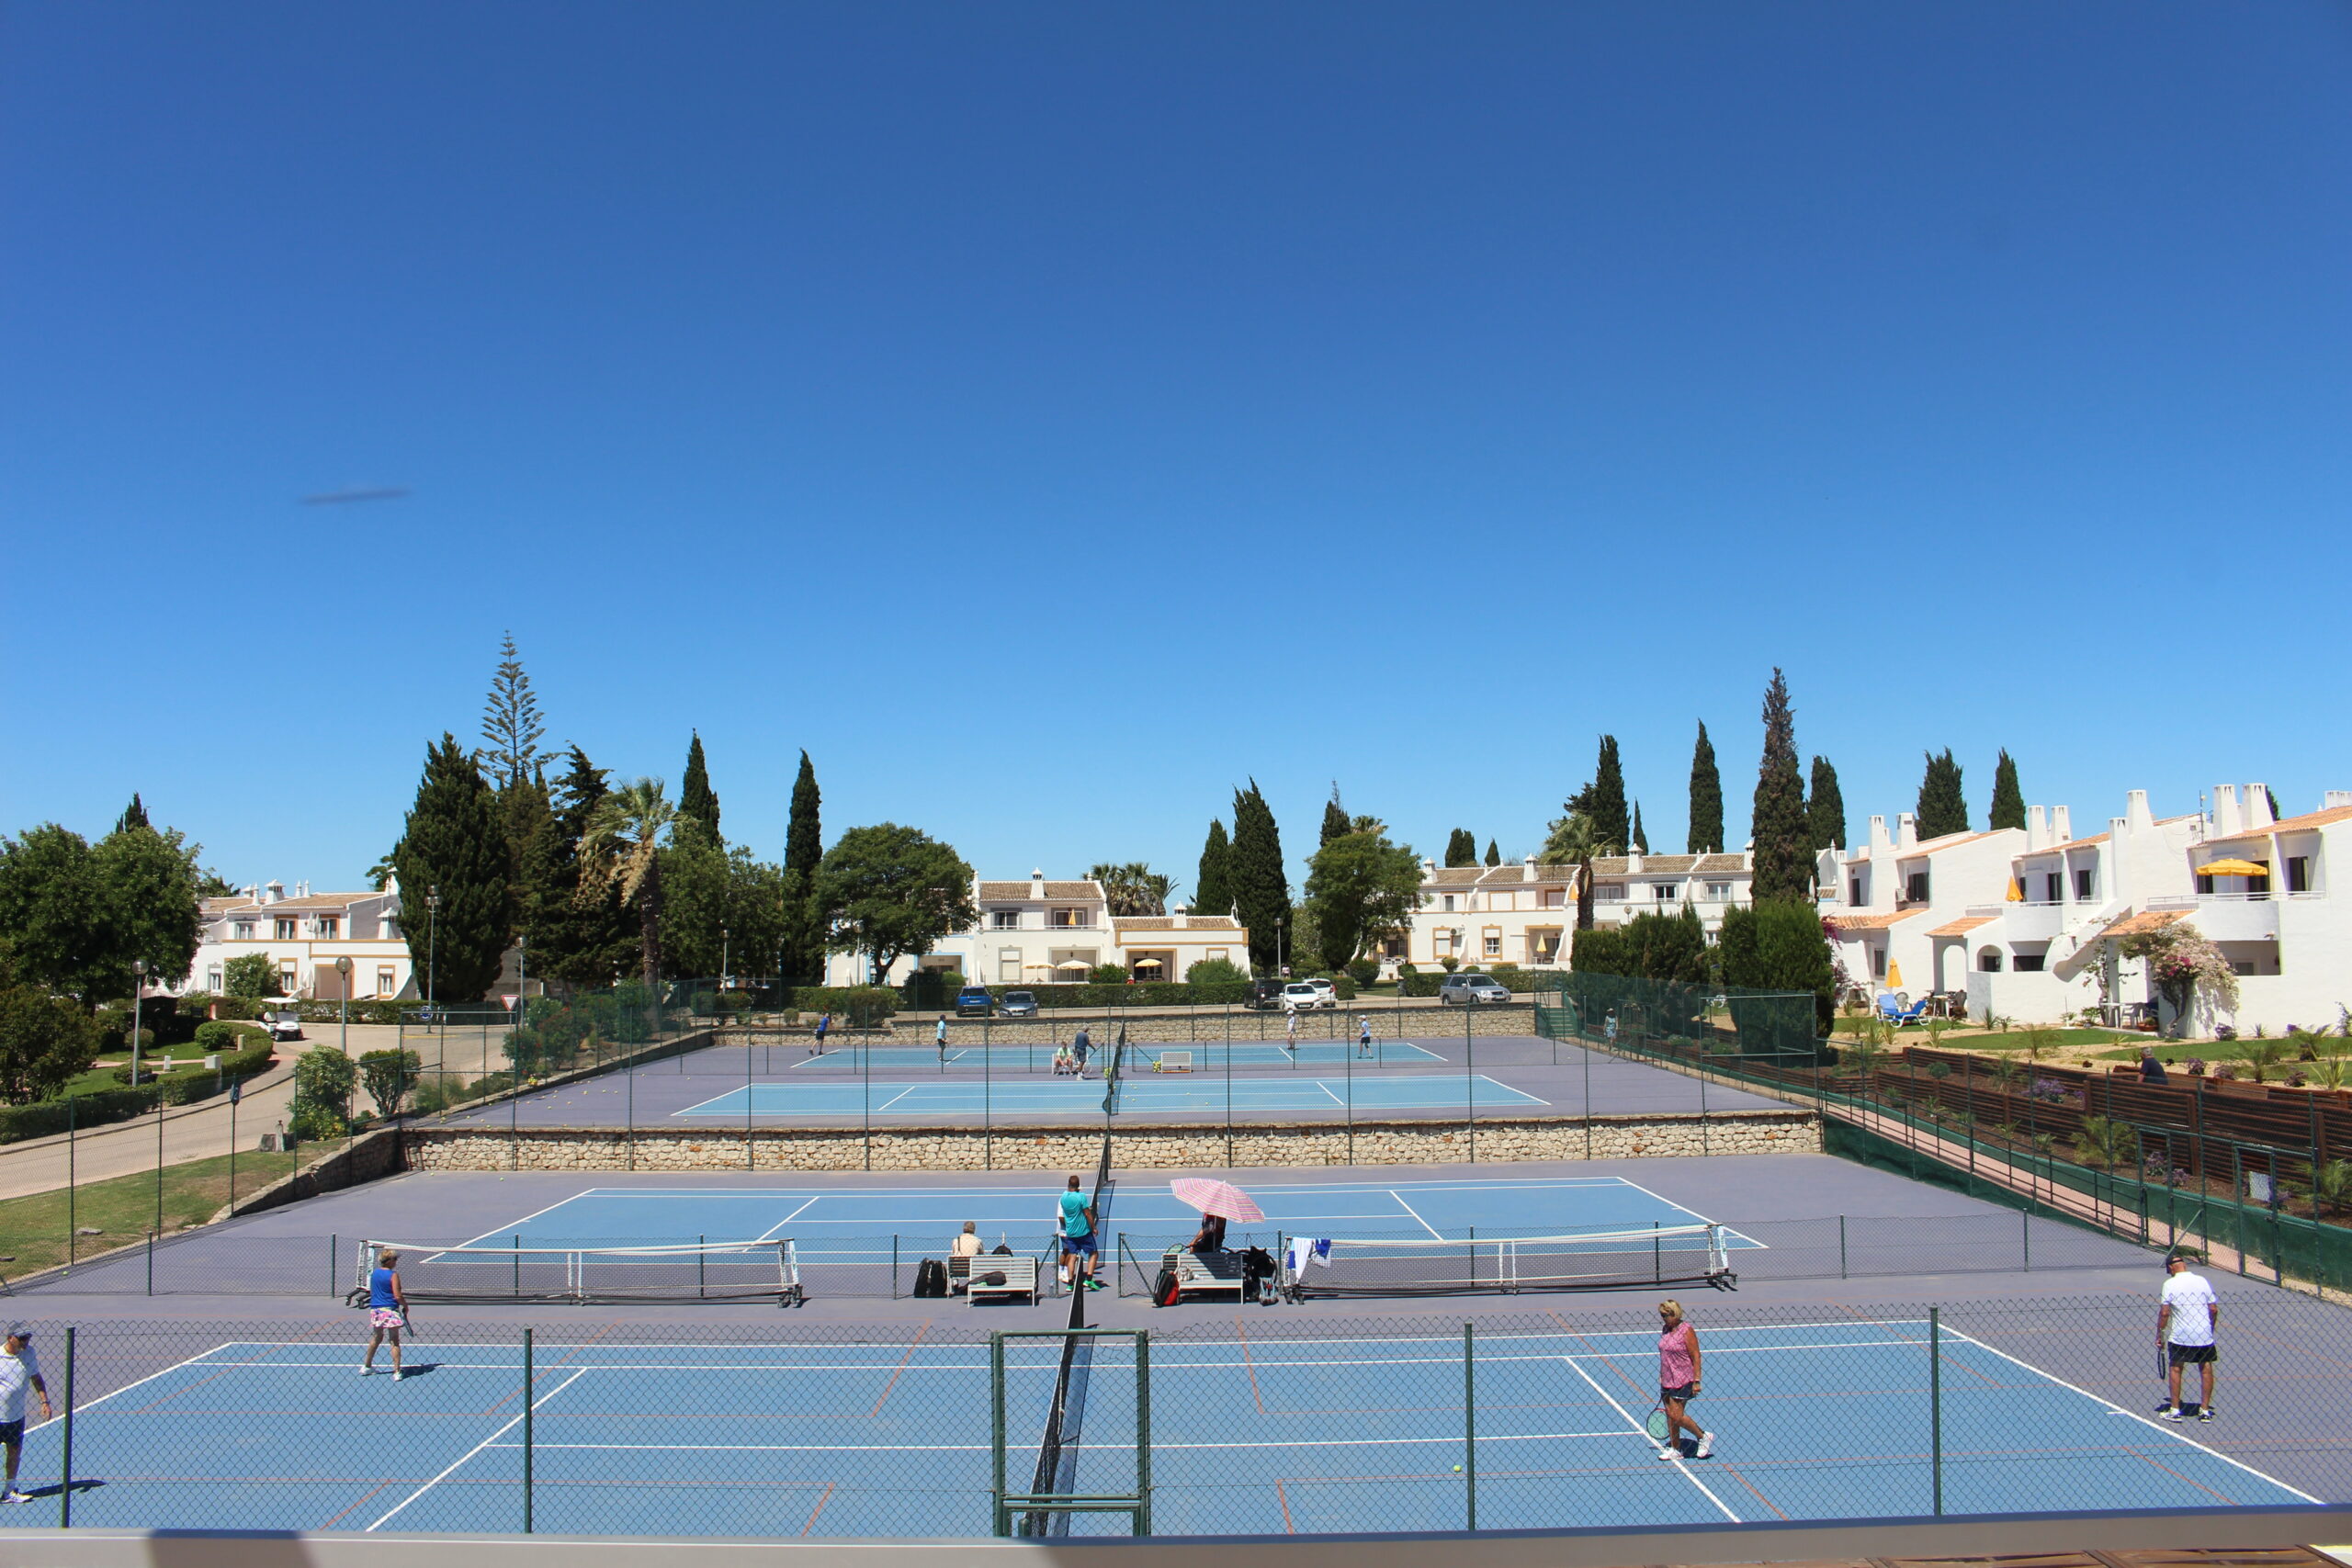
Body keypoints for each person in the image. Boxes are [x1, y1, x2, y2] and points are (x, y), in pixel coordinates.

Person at [2157, 1253, 2220, 1421]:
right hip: (2204, 1335)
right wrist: (2209, 1328)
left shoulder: (2169, 1284)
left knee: (2176, 1368)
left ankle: (2175, 1410)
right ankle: (2205, 1410)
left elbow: (2164, 1313)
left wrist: (2159, 1334)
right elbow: (2213, 1309)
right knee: (2206, 1368)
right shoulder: (2202, 1281)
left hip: (2181, 1336)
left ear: (2171, 1267)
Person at [1654, 1300, 1713, 1460]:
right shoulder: (1666, 1329)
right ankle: (1675, 1448)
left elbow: (1696, 1355)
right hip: (1667, 1378)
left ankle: (1703, 1436)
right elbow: (1665, 1353)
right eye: (1662, 1315)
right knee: (1669, 1413)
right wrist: (1662, 1373)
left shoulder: (1687, 1330)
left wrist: (1697, 1380)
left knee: (1677, 1416)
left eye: (1666, 1315)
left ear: (1675, 1314)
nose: (1663, 1318)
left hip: (1683, 1378)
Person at [0, 1324, 52, 1506]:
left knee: (14, 1454)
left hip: (15, 1417)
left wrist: (44, 1401)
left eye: (27, 1337)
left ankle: (9, 1491)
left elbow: (36, 1377)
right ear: (10, 1338)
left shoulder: (29, 1353)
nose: (26, 1341)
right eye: (22, 1338)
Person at [360, 1249, 411, 1381]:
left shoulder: (374, 1274)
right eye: (395, 1259)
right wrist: (405, 1306)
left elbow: (373, 1291)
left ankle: (366, 1366)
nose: (396, 1262)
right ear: (389, 1261)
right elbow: (398, 1295)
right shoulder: (393, 1275)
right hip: (389, 1310)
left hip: (376, 1310)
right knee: (394, 1340)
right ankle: (397, 1372)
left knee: (377, 1338)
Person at [1057, 1175, 1102, 1291]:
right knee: (1094, 1253)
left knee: (1072, 1256)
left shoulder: (1063, 1198)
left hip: (1070, 1232)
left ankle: (1070, 1283)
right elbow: (1087, 1214)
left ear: (1068, 1184)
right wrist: (1093, 1227)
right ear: (1078, 1186)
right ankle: (1089, 1279)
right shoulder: (1081, 1197)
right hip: (1083, 1232)